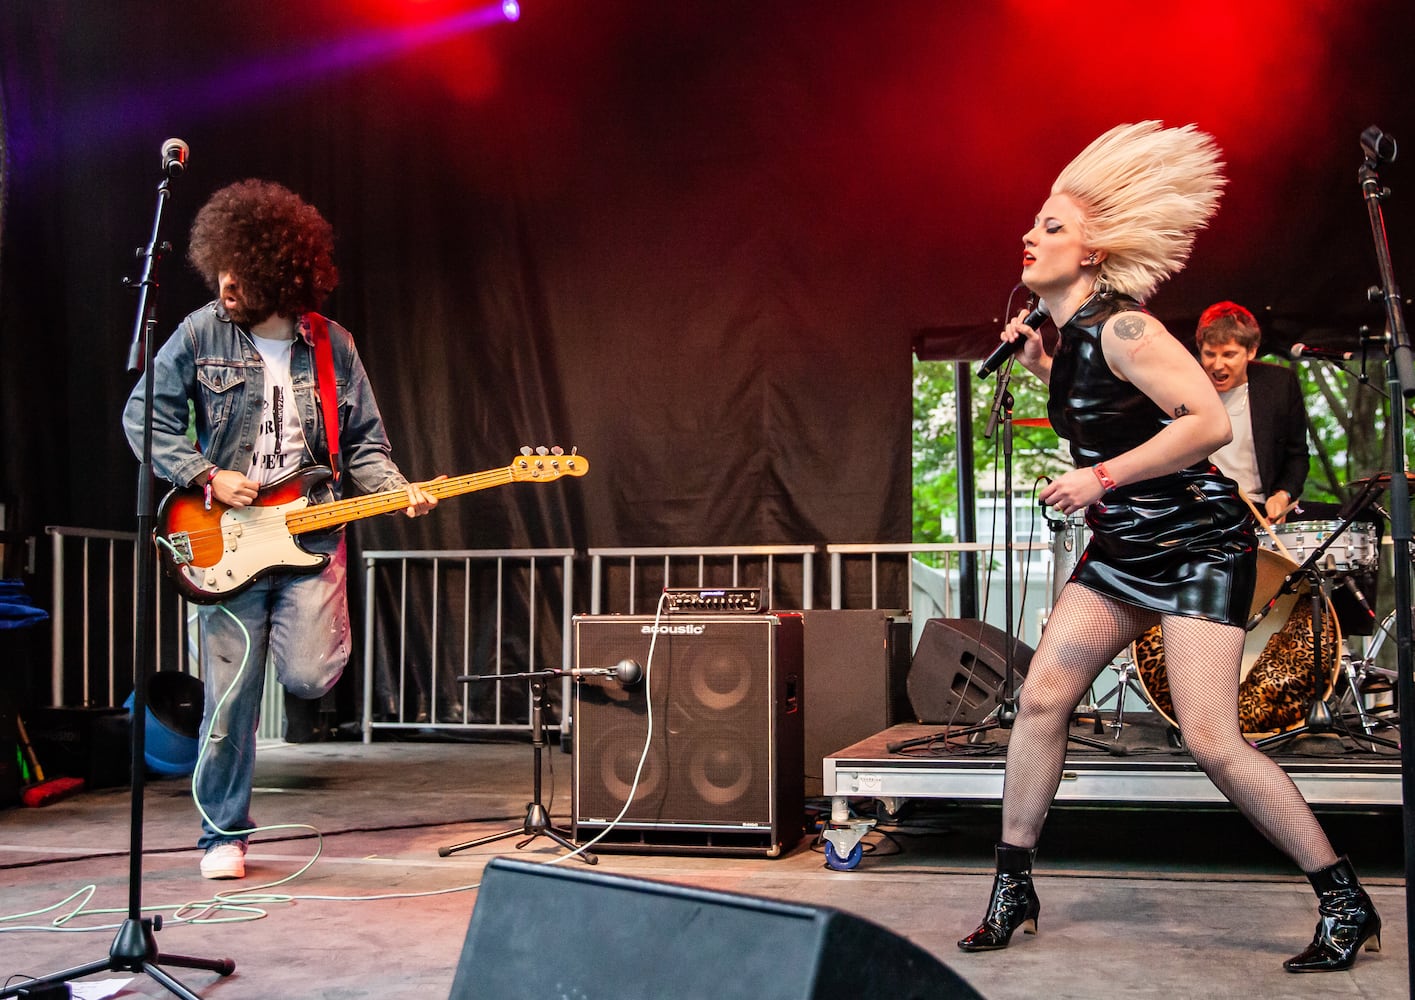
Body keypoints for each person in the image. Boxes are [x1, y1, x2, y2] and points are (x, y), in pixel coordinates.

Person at [958, 122, 1379, 973]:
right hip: (1122, 551)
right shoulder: (1073, 339)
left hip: (1195, 546)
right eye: (1032, 224)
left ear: (1093, 250)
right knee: (1041, 701)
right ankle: (1014, 882)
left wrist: (1098, 479)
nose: (1028, 237)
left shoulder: (1126, 330)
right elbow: (1118, 409)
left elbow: (1209, 423)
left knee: (1211, 739)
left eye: (1050, 226)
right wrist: (1041, 367)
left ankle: (1343, 898)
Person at [123, 180, 439, 879]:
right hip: (223, 540)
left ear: (287, 275)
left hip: (310, 538)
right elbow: (142, 416)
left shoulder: (334, 347)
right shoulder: (200, 331)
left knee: (308, 675)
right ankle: (222, 836)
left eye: (247, 271)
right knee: (228, 701)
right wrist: (207, 475)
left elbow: (363, 447)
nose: (229, 281)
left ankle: (290, 657)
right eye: (223, 266)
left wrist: (397, 492)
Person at [1195, 301, 1309, 523]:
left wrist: (1282, 495)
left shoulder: (1280, 385)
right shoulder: (1184, 388)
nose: (1217, 365)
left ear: (1252, 351)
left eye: (1229, 355)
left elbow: (1297, 456)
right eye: (1210, 354)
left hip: (1258, 511)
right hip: (1203, 513)